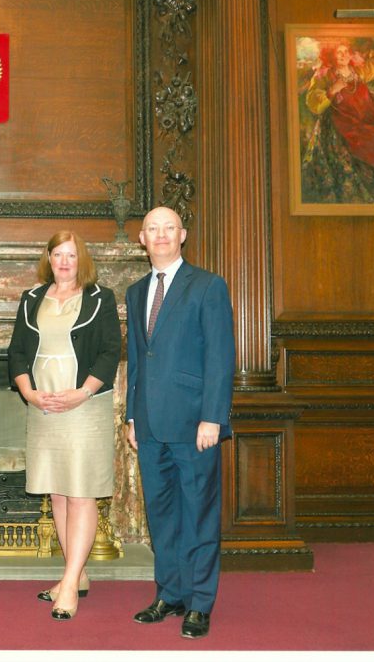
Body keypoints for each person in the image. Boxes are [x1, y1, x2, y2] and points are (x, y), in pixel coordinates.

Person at [124, 206, 235, 640]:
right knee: (162, 515)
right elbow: (138, 359)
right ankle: (169, 594)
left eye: (169, 228)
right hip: (149, 426)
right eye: (153, 229)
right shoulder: (136, 292)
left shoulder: (207, 285)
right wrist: (132, 416)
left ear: (182, 234)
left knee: (199, 515)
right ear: (142, 239)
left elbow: (220, 357)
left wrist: (213, 417)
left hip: (195, 425)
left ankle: (200, 603)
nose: (161, 235)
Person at [8, 230, 121, 621]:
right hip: (44, 407)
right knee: (58, 492)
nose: (64, 262)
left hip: (85, 406)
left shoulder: (101, 298)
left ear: (81, 259)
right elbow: (17, 351)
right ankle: (77, 573)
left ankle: (69, 583)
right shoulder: (31, 298)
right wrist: (29, 393)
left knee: (81, 492)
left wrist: (82, 393)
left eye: (71, 255)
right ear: (49, 258)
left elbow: (110, 351)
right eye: (58, 254)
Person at [302, 40, 374, 203]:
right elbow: (313, 104)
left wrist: (365, 53)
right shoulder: (325, 76)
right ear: (331, 56)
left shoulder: (359, 71)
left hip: (367, 117)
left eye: (346, 51)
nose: (344, 55)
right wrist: (332, 90)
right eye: (339, 52)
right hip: (343, 123)